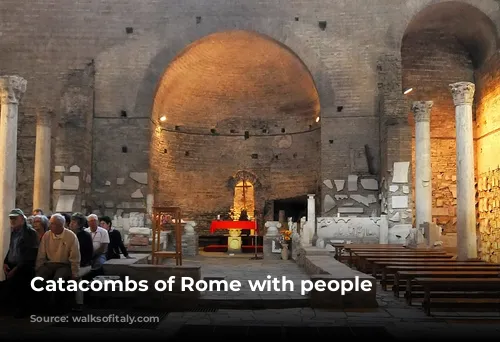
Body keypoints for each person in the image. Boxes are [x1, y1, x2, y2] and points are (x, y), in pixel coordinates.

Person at [35, 213, 81, 307]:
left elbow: (75, 256)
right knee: (38, 279)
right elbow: (41, 254)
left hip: (64, 264)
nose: (50, 226)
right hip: (49, 264)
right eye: (50, 223)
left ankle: (56, 306)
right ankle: (40, 305)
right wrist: (38, 268)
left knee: (58, 280)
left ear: (60, 225)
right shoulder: (47, 235)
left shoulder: (71, 236)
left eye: (53, 224)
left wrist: (74, 272)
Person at [1, 209, 39, 316]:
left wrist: (16, 268)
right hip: (13, 264)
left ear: (22, 219)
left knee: (20, 286)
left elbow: (30, 254)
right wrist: (5, 262)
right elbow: (11, 249)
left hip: (25, 266)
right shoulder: (13, 233)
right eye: (11, 218)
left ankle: (23, 310)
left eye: (15, 218)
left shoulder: (30, 234)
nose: (12, 221)